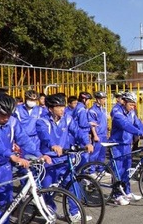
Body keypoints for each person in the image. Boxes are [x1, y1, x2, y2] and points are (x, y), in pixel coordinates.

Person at [0, 93, 51, 223]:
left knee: (6, 202)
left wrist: (39, 154)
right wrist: (11, 156)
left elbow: (24, 139)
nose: (6, 118)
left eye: (9, 115)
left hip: (5, 167)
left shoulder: (12, 122)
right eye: (3, 115)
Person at [36, 93, 91, 222]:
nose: (62, 109)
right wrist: (53, 145)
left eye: (63, 106)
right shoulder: (42, 121)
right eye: (58, 107)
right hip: (49, 160)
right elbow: (44, 136)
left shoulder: (67, 118)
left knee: (72, 185)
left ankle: (74, 213)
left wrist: (86, 142)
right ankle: (49, 211)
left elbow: (77, 131)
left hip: (65, 158)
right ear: (50, 109)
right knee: (48, 188)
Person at [108, 92, 143, 206]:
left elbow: (139, 124)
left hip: (127, 144)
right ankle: (116, 195)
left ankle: (127, 191)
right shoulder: (116, 111)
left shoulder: (132, 112)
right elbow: (125, 125)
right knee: (118, 171)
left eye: (134, 105)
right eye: (131, 104)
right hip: (116, 145)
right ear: (124, 102)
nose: (133, 107)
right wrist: (141, 134)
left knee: (127, 170)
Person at [87, 91, 109, 175]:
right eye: (102, 99)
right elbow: (92, 124)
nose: (104, 100)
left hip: (103, 134)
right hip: (97, 134)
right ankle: (91, 170)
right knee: (94, 154)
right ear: (98, 100)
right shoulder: (92, 110)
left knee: (102, 153)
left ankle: (100, 169)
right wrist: (95, 135)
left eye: (104, 98)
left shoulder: (103, 110)